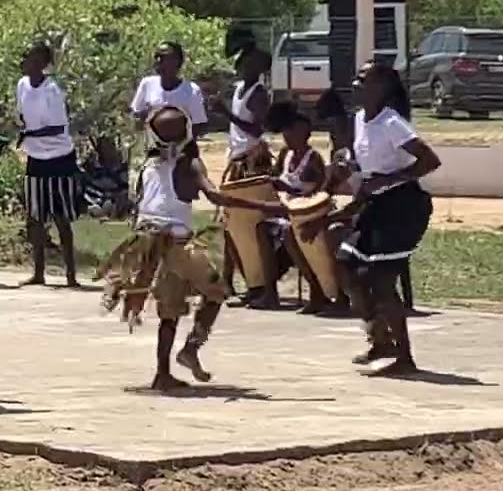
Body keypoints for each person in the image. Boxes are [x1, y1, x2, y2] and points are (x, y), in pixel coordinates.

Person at [96, 106, 278, 390]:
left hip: (147, 244)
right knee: (216, 292)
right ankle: (191, 348)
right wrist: (265, 205)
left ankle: (162, 373)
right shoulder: (190, 164)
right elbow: (216, 195)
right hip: (177, 245)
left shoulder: (146, 165)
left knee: (169, 312)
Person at [325, 63, 441, 374]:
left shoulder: (392, 122)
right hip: (375, 204)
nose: (356, 83)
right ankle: (380, 338)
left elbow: (430, 160)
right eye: (356, 78)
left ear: (383, 87)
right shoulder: (361, 120)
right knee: (348, 266)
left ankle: (405, 358)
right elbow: (366, 173)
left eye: (363, 80)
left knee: (382, 280)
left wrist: (389, 180)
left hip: (403, 205)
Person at [211, 40, 276, 304]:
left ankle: (257, 284)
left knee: (246, 226)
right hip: (236, 160)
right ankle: (232, 281)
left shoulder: (259, 94)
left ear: (259, 68)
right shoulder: (240, 89)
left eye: (250, 63)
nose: (242, 66)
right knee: (231, 226)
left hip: (251, 163)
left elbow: (257, 130)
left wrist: (226, 113)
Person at [264, 101, 340, 314]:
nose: (288, 135)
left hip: (305, 211)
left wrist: (289, 189)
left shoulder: (313, 158)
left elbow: (318, 192)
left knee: (290, 232)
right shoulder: (284, 155)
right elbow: (273, 176)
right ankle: (266, 289)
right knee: (260, 227)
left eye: (294, 131)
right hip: (284, 209)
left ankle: (316, 288)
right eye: (287, 131)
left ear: (305, 133)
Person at [17, 42, 80, 288]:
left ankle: (71, 274)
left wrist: (28, 134)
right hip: (36, 158)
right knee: (35, 217)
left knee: (60, 216)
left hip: (59, 157)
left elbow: (58, 127)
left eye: (29, 57)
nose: (23, 60)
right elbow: (23, 115)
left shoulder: (52, 90)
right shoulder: (22, 85)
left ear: (42, 63)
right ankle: (38, 272)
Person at [130, 41, 210, 138]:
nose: (159, 61)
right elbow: (137, 113)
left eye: (164, 57)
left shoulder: (191, 90)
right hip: (153, 146)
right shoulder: (147, 84)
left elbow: (198, 123)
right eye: (157, 57)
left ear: (177, 61)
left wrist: (181, 144)